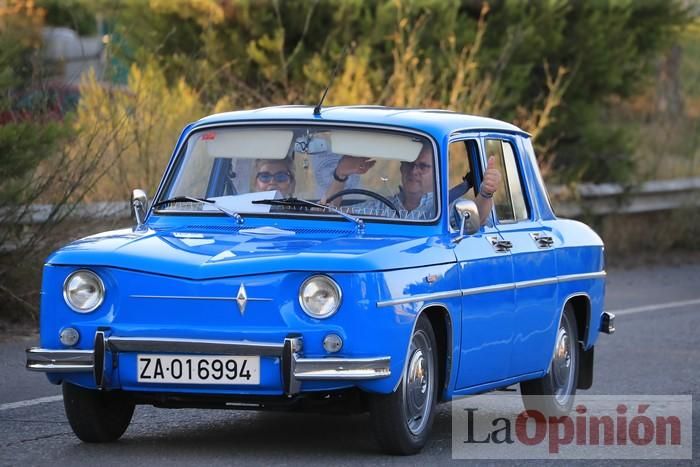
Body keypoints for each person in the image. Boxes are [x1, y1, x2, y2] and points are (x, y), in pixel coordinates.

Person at [323, 144, 501, 224]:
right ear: (401, 168)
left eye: (423, 166)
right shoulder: (379, 206)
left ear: (439, 172)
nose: (414, 171)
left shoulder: (451, 206)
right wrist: (340, 174)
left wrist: (485, 194)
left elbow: (477, 220)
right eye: (409, 164)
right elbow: (326, 217)